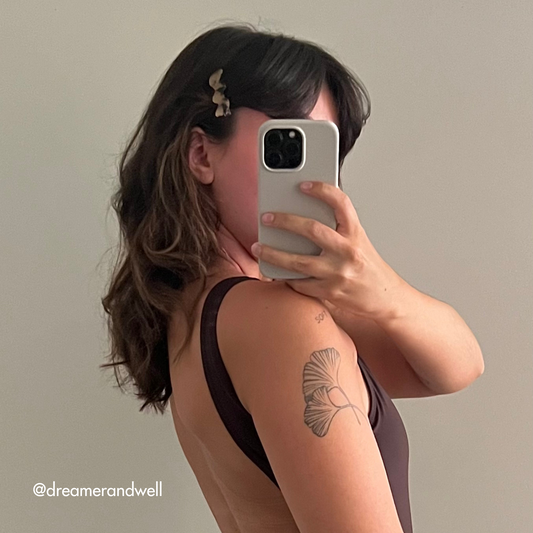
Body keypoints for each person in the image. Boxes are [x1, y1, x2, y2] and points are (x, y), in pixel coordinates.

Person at [101, 21, 484, 533]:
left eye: (322, 149)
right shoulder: (280, 323)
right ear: (201, 154)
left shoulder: (196, 321)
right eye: (286, 144)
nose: (308, 177)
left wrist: (380, 289)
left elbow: (458, 367)